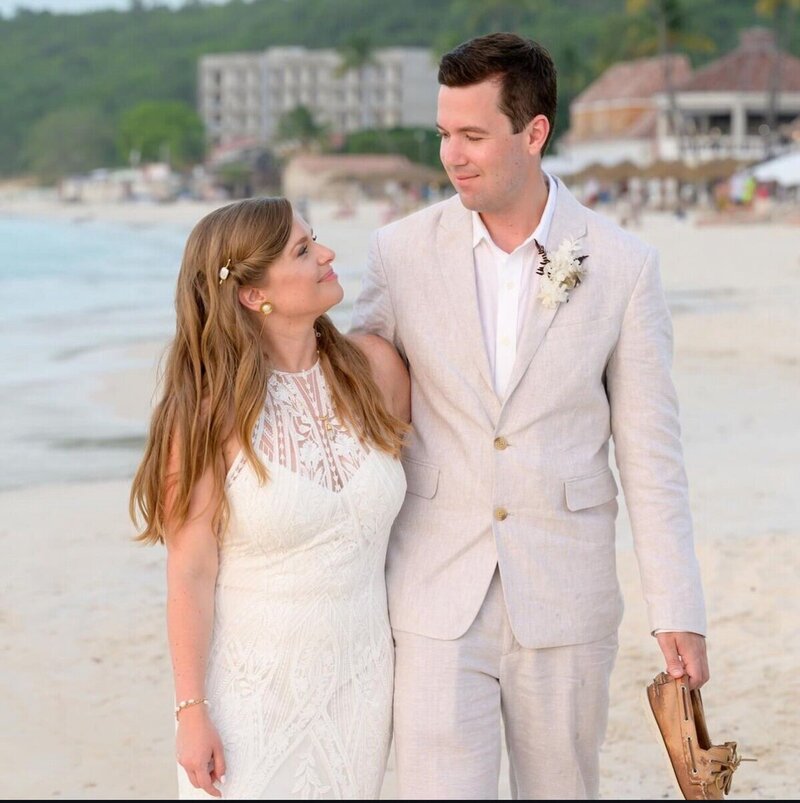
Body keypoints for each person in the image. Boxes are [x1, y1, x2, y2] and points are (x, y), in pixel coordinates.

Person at [352, 33, 709, 800]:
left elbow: (651, 452)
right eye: (444, 134)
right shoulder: (398, 252)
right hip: (435, 587)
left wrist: (677, 607)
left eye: (474, 135)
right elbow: (351, 391)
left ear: (534, 131)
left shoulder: (622, 265)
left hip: (566, 589)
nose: (453, 155)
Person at [129, 197, 410, 799]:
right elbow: (190, 572)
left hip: (362, 683)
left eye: (316, 239)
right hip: (251, 695)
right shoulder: (206, 413)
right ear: (254, 294)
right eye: (303, 251)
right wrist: (190, 711)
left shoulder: (377, 371)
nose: (327, 254)